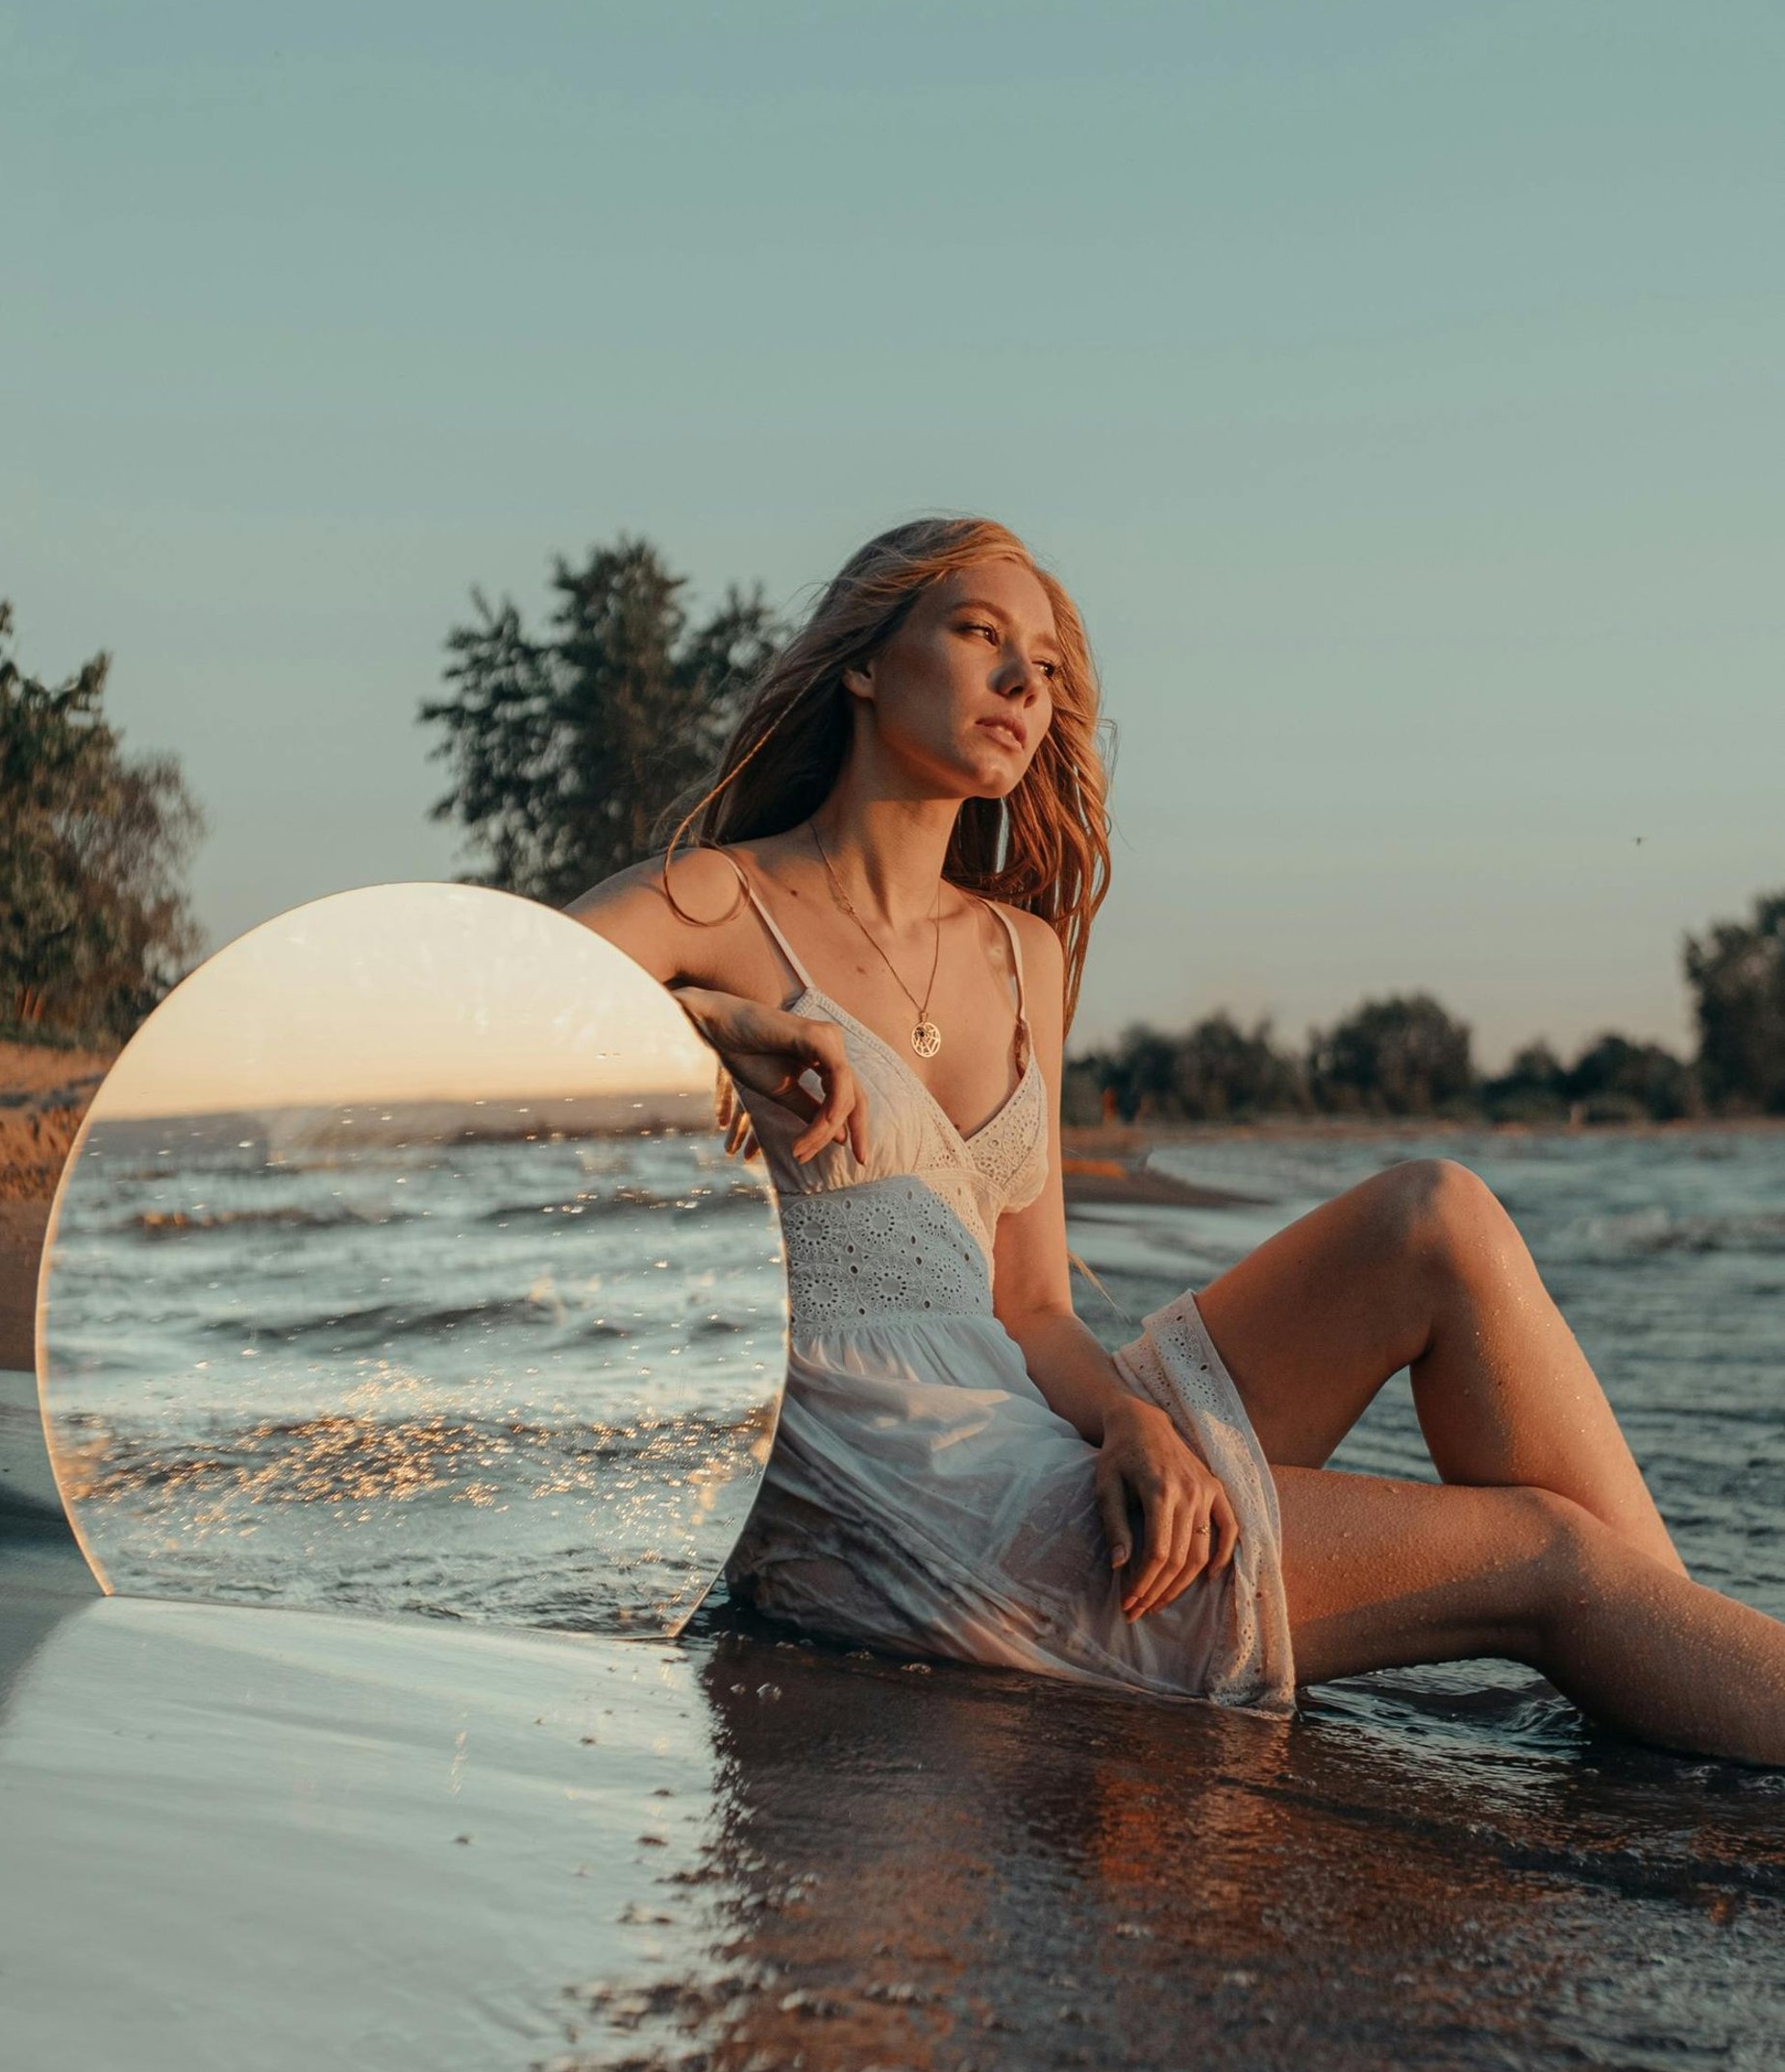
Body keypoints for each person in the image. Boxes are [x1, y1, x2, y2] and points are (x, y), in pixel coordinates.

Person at [569, 515, 1785, 1764]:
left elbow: (1033, 1307)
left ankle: (1686, 1661)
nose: (1021, 684)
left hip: (1025, 1422)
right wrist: (700, 1021)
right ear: (866, 665)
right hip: (901, 1493)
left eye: (1042, 664)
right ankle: (1678, 1663)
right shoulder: (716, 901)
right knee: (1547, 1554)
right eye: (981, 635)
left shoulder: (1018, 956)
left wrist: (1133, 1425)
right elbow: (458, 1017)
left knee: (1437, 1218)